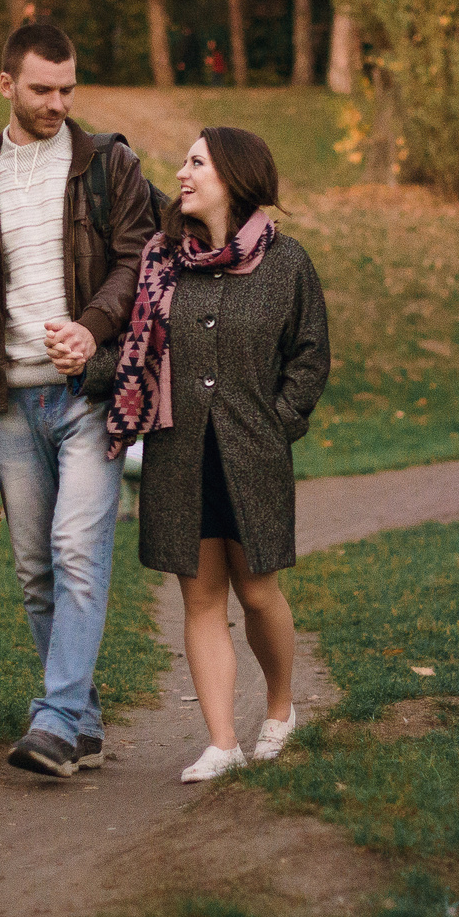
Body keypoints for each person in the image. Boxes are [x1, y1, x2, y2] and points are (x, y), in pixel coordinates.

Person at [0, 23, 157, 778]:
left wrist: (91, 332)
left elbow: (135, 264)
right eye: (42, 89)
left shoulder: (108, 167)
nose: (57, 103)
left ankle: (53, 720)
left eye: (67, 89)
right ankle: (81, 720)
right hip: (11, 404)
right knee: (35, 570)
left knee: (78, 551)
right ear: (6, 86)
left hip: (89, 395)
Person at [104, 127, 331, 783]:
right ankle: (222, 740)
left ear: (232, 176)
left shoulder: (288, 264)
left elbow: (311, 353)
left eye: (195, 162)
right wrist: (78, 359)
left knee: (258, 591)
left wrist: (278, 422)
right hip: (179, 455)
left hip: (252, 455)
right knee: (199, 598)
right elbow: (134, 352)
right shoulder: (161, 260)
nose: (181, 172)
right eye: (185, 161)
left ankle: (281, 712)